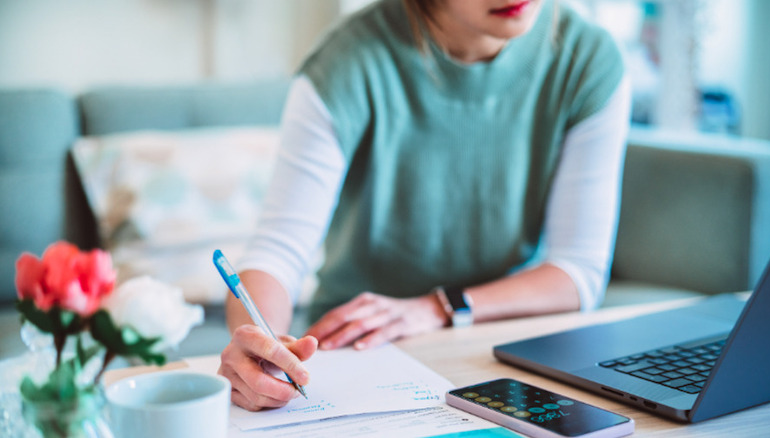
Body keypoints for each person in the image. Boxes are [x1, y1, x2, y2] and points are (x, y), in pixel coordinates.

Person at [219, 0, 631, 411]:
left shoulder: (588, 59)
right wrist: (258, 345)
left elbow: (578, 271)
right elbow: (278, 249)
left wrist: (437, 307)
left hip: (512, 345)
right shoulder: (348, 60)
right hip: (358, 350)